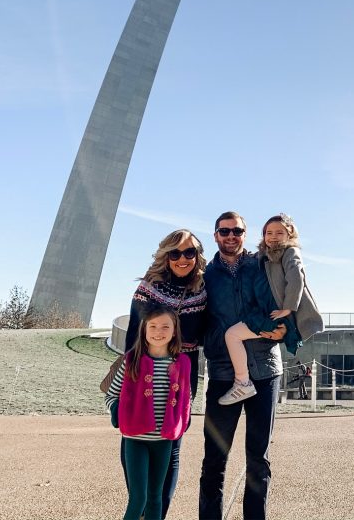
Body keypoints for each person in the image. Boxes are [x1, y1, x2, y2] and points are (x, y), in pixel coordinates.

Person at [200, 211, 287, 520]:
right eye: (224, 231)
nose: (231, 236)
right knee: (214, 460)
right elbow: (198, 322)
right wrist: (219, 341)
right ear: (215, 235)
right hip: (223, 373)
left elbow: (285, 298)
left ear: (244, 234)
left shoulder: (261, 265)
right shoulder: (205, 275)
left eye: (236, 231)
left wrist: (282, 328)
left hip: (265, 370)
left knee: (258, 460)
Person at [121, 228, 207, 518]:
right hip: (143, 370)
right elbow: (134, 333)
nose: (183, 258)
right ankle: (140, 507)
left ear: (198, 255)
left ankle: (157, 514)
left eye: (189, 252)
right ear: (166, 256)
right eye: (175, 253)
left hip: (182, 373)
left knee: (172, 445)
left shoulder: (203, 289)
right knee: (134, 439)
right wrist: (131, 375)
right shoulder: (149, 287)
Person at [219, 213, 323, 405]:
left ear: (290, 234)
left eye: (279, 233)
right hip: (268, 313)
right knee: (233, 335)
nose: (273, 236)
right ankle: (243, 381)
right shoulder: (262, 256)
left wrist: (288, 308)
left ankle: (242, 382)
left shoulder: (290, 252)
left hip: (277, 315)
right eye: (269, 232)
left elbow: (296, 277)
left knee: (232, 335)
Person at [106, 306, 192, 520]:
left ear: (174, 330)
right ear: (144, 329)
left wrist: (183, 420)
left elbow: (186, 397)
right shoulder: (131, 360)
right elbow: (111, 394)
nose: (158, 332)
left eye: (165, 327)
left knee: (155, 497)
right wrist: (117, 413)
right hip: (135, 439)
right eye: (152, 326)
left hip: (163, 440)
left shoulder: (182, 363)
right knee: (138, 498)